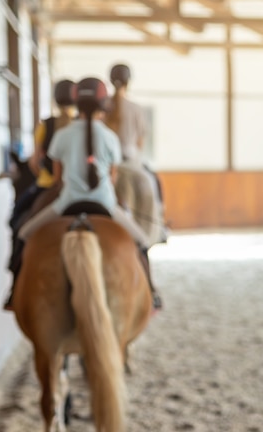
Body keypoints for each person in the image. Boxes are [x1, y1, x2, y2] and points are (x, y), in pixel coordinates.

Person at [14, 76, 162, 309]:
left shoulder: (63, 136)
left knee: (23, 234)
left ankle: (14, 291)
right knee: (141, 242)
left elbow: (58, 178)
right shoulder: (110, 138)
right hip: (105, 205)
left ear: (77, 105)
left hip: (66, 204)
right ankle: (151, 292)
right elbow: (112, 178)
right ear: (103, 107)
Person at [5, 79, 76, 310]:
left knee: (17, 221)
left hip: (48, 185)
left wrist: (40, 175)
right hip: (77, 188)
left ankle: (15, 284)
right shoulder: (81, 125)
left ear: (55, 99)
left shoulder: (46, 124)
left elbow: (36, 161)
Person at [106, 63, 167, 245]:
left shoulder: (104, 109)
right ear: (128, 82)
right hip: (131, 163)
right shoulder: (136, 108)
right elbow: (140, 142)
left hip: (109, 165)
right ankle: (160, 228)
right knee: (155, 183)